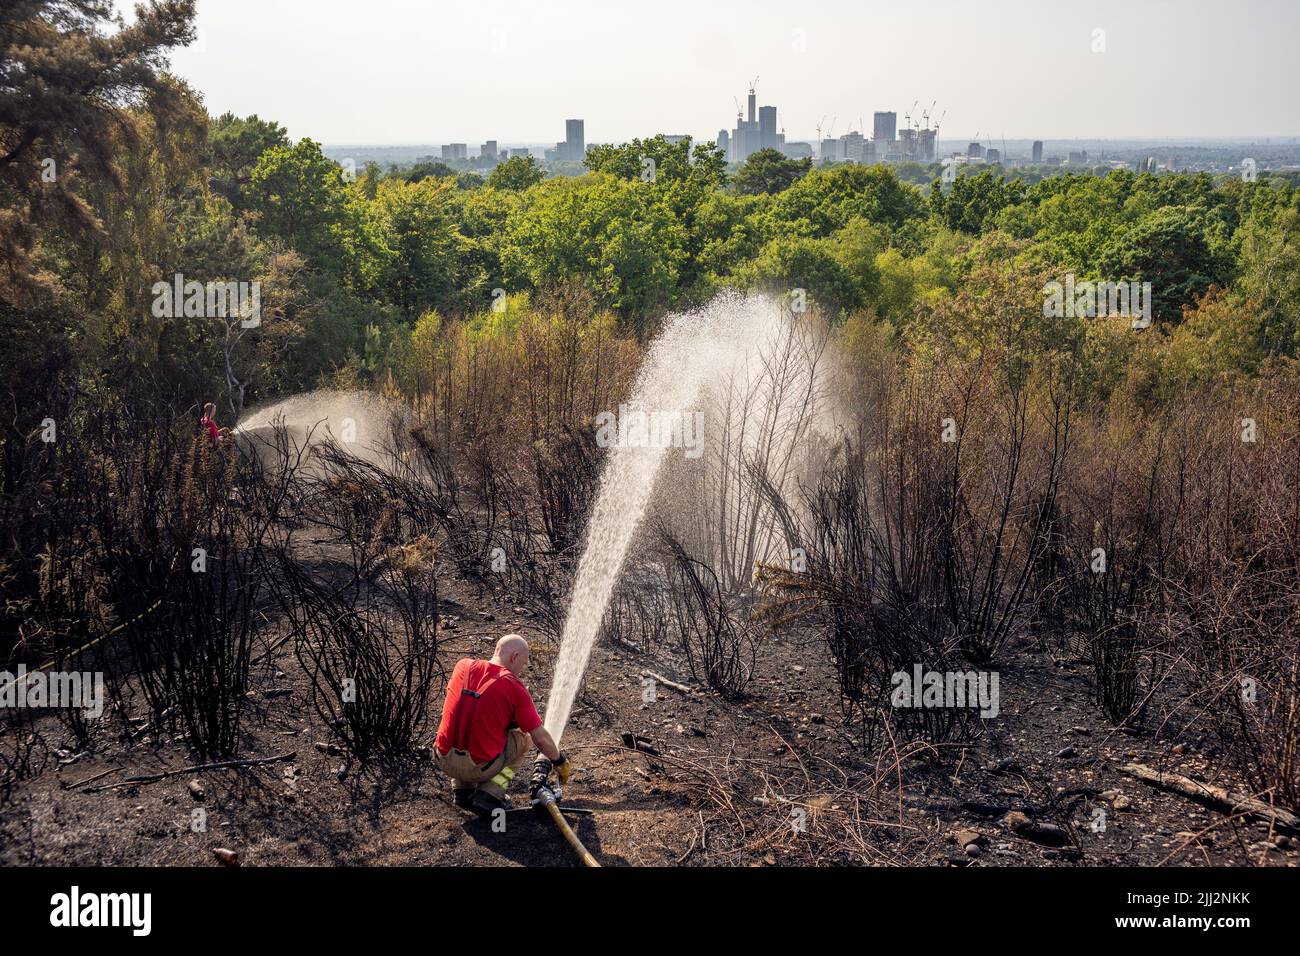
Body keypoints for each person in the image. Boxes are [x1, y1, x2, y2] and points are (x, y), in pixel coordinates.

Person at [434, 634, 570, 817]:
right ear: (514, 657)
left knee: (463, 722)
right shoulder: (513, 686)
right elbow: (541, 738)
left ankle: (462, 791)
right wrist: (560, 761)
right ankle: (490, 794)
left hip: (442, 759)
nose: (521, 670)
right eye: (522, 664)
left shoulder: (463, 666)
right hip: (478, 768)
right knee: (525, 739)